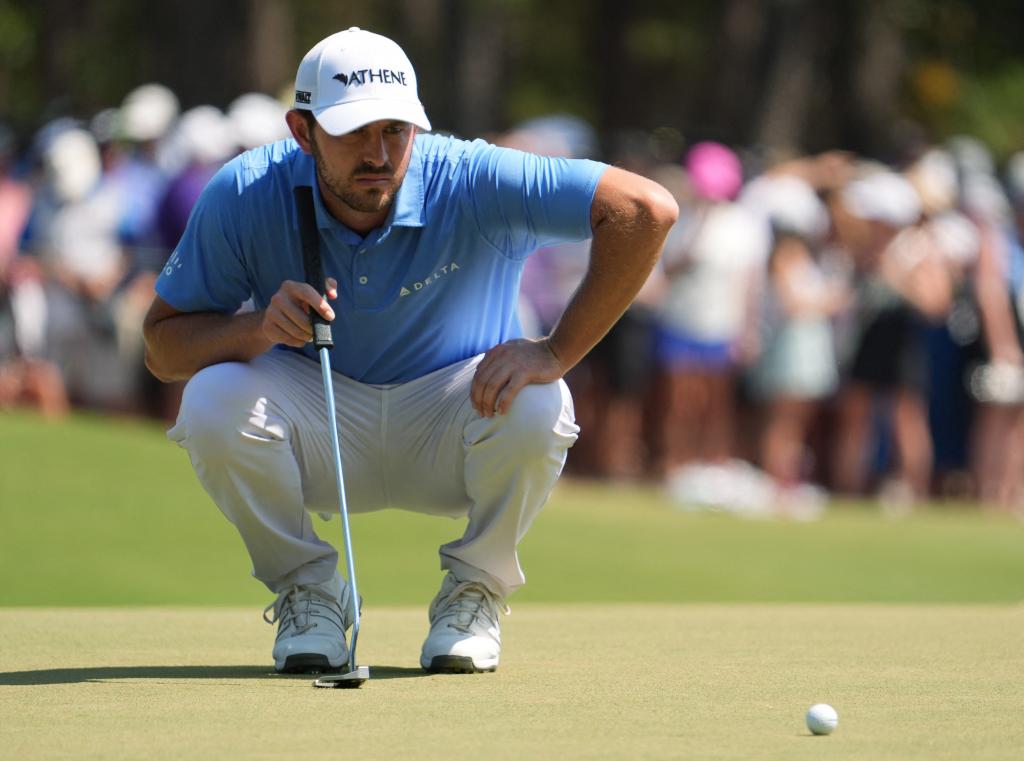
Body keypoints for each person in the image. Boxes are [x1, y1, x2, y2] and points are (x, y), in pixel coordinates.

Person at [142, 28, 677, 675]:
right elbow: (162, 349)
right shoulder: (246, 190)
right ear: (302, 131)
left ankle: (475, 591)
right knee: (209, 398)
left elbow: (646, 210)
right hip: (320, 419)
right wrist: (255, 327)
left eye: (395, 129)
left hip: (454, 416)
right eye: (353, 131)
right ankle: (308, 591)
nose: (378, 152)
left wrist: (556, 350)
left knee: (542, 398)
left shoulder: (475, 176)